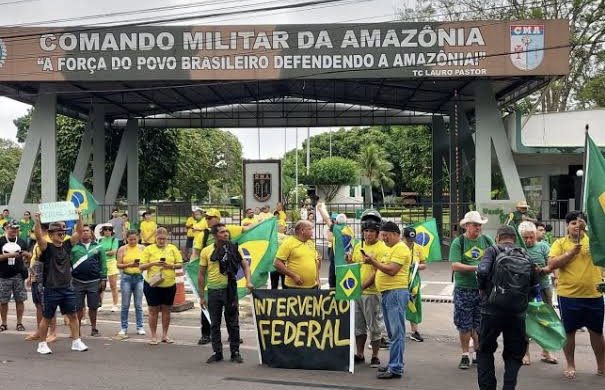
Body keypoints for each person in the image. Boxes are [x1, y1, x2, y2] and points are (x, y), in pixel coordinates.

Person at [476, 225, 539, 390]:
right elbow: (535, 287)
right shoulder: (525, 255)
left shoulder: (492, 250)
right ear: (515, 239)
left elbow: (482, 272)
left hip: (491, 310)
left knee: (485, 350)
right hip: (517, 313)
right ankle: (509, 387)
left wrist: (483, 290)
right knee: (513, 354)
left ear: (498, 237)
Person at [543, 211, 604, 379]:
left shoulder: (595, 241)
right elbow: (552, 264)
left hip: (594, 294)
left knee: (597, 332)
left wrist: (592, 232)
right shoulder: (560, 243)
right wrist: (570, 253)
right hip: (568, 295)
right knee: (569, 332)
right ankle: (570, 364)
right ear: (567, 225)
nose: (577, 226)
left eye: (580, 223)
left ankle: (601, 366)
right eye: (573, 223)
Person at [191, 208, 255, 345]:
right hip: (210, 275)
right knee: (208, 306)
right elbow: (196, 253)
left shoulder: (230, 229)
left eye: (210, 217)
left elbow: (247, 229)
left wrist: (265, 222)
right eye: (206, 218)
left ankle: (233, 337)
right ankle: (206, 334)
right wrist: (191, 267)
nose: (207, 220)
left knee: (232, 307)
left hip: (229, 275)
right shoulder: (204, 234)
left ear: (218, 218)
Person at [33, 212, 88, 354]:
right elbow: (39, 236)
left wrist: (79, 217)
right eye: (58, 232)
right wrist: (38, 221)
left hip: (67, 288)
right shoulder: (46, 247)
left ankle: (76, 341)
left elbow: (79, 232)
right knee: (47, 318)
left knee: (73, 316)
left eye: (63, 232)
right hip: (51, 289)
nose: (62, 234)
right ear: (51, 234)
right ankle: (42, 344)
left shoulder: (68, 245)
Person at [363, 221, 411, 379]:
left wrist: (373, 262)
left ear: (395, 234)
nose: (383, 238)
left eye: (385, 235)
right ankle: (393, 364)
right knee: (392, 333)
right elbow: (378, 272)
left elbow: (392, 270)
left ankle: (396, 367)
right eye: (382, 235)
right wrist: (361, 287)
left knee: (397, 333)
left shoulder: (401, 248)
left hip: (396, 293)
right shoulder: (389, 249)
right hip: (387, 293)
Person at [200, 223, 253, 364]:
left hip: (230, 290)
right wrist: (201, 296)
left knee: (233, 323)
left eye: (226, 232)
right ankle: (217, 353)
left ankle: (235, 352)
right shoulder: (206, 251)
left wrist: (249, 281)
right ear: (215, 235)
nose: (226, 234)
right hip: (213, 291)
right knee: (214, 324)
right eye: (222, 232)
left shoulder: (234, 248)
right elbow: (201, 275)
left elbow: (245, 265)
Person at [449, 210, 494, 369]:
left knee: (480, 323)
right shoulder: (458, 242)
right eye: (475, 225)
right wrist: (477, 267)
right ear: (466, 226)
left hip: (482, 289)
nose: (478, 228)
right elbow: (455, 265)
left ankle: (477, 353)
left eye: (480, 225)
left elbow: (496, 258)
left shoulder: (487, 241)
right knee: (464, 324)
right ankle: (465, 354)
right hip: (464, 289)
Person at [349, 211, 388, 368]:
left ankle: (375, 355)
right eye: (366, 231)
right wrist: (349, 259)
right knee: (359, 327)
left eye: (372, 231)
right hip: (357, 292)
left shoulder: (382, 248)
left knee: (374, 326)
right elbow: (354, 266)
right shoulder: (359, 246)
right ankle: (360, 353)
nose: (368, 234)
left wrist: (363, 286)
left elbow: (376, 271)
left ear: (377, 233)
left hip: (372, 293)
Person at [518, 221, 557, 365]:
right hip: (524, 291)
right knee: (525, 322)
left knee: (546, 320)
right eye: (525, 238)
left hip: (543, 288)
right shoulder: (518, 248)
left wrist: (542, 270)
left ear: (535, 235)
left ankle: (546, 351)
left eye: (531, 237)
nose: (528, 240)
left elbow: (552, 266)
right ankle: (525, 353)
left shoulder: (543, 246)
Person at [139, 227, 183, 345]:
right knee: (153, 310)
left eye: (164, 239)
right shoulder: (149, 249)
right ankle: (153, 336)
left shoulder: (173, 248)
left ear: (167, 238)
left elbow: (180, 264)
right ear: (155, 238)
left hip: (169, 284)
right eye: (159, 238)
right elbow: (141, 267)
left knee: (166, 310)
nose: (161, 241)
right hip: (152, 284)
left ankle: (165, 335)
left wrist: (170, 265)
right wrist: (153, 263)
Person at [24, 223, 58, 343]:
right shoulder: (38, 243)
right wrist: (30, 276)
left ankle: (53, 332)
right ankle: (40, 331)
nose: (33, 232)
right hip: (35, 276)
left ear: (42, 229)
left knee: (49, 306)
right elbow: (34, 259)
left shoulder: (48, 242)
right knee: (38, 305)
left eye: (35, 229)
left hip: (46, 278)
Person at [71, 224, 107, 337]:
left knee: (93, 307)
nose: (85, 232)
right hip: (77, 281)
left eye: (87, 230)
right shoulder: (74, 247)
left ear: (91, 233)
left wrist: (104, 279)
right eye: (82, 231)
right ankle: (78, 329)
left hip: (94, 281)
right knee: (78, 307)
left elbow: (103, 263)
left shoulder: (99, 247)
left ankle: (94, 328)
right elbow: (69, 263)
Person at [0, 220, 31, 332]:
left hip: (18, 275)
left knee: (20, 300)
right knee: (3, 301)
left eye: (17, 228)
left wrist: (28, 255)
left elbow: (30, 256)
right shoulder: (1, 241)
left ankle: (19, 323)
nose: (15, 230)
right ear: (6, 228)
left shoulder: (22, 241)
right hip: (3, 275)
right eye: (12, 228)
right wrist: (9, 255)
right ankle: (3, 323)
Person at [116, 230, 146, 338]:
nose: (133, 241)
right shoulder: (122, 249)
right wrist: (130, 264)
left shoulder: (142, 248)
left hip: (139, 277)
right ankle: (124, 327)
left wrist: (141, 265)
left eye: (135, 239)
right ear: (126, 239)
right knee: (125, 305)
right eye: (130, 239)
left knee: (138, 305)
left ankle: (140, 327)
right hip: (126, 278)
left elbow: (146, 262)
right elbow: (118, 265)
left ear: (138, 238)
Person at [273, 220, 320, 289]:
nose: (312, 231)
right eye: (310, 229)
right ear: (302, 230)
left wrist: (318, 279)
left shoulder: (310, 242)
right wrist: (293, 276)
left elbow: (316, 262)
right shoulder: (288, 243)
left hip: (313, 286)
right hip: (294, 287)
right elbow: (277, 263)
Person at [317, 203, 353, 289]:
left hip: (336, 260)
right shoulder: (349, 230)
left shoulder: (336, 229)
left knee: (333, 283)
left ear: (336, 222)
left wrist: (320, 209)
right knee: (344, 285)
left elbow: (326, 219)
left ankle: (333, 299)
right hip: (346, 261)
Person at [402, 227, 427, 342]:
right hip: (400, 278)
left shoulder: (418, 248)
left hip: (414, 280)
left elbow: (424, 265)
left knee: (414, 303)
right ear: (403, 237)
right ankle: (398, 330)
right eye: (408, 239)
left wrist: (415, 266)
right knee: (399, 304)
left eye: (412, 239)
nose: (410, 242)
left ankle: (414, 331)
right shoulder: (399, 248)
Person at [99, 224, 120, 312]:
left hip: (111, 263)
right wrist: (106, 252)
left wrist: (103, 253)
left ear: (112, 231)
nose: (107, 231)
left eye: (109, 230)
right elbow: (97, 251)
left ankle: (115, 304)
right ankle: (100, 304)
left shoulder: (114, 240)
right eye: (105, 230)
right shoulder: (99, 240)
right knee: (101, 286)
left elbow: (114, 252)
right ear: (103, 231)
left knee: (113, 285)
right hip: (102, 263)